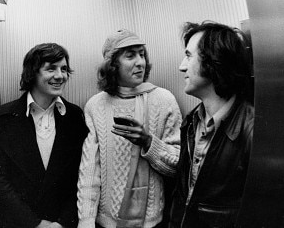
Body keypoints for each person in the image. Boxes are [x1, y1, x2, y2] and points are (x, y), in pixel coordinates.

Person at [77, 29, 182, 228]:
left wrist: (148, 142)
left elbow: (177, 166)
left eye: (142, 54)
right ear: (113, 64)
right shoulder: (96, 105)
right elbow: (90, 169)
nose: (140, 62)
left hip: (151, 223)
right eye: (130, 55)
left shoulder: (164, 100)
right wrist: (86, 219)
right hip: (107, 223)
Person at [0, 43, 88, 228]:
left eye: (64, 69)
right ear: (32, 73)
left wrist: (62, 222)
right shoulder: (4, 118)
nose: (60, 76)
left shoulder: (75, 117)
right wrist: (34, 223)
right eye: (51, 69)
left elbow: (81, 177)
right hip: (16, 223)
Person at [169, 21, 254, 228]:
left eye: (189, 56)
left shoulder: (252, 129)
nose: (182, 66)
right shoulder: (190, 122)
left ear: (213, 60)